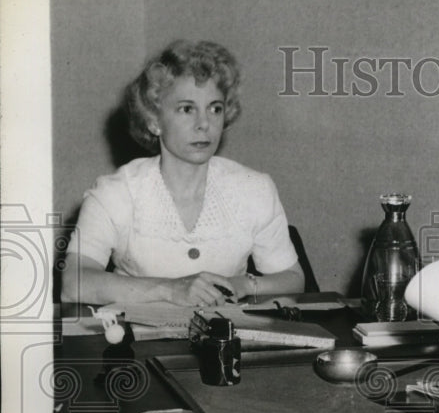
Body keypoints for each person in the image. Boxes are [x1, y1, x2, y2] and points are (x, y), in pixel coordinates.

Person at [62, 40, 305, 307]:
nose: (204, 124)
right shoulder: (115, 192)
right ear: (154, 120)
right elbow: (73, 284)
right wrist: (170, 290)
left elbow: (293, 278)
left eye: (215, 108)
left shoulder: (254, 189)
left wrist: (245, 284)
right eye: (187, 109)